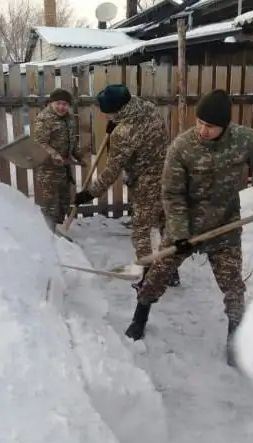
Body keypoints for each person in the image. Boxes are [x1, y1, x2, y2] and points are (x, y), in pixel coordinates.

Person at [124, 89, 253, 367]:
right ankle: (140, 316)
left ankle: (236, 340)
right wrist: (181, 234)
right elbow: (171, 194)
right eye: (199, 123)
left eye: (210, 126)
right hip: (185, 225)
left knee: (233, 287)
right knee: (157, 275)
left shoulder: (245, 140)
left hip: (225, 226)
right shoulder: (182, 147)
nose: (203, 130)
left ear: (225, 125)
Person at [71, 83, 180, 289]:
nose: (108, 117)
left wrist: (89, 193)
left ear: (116, 110)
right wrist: (116, 124)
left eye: (110, 114)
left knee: (141, 230)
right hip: (170, 173)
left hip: (148, 182)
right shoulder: (146, 106)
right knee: (166, 224)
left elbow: (112, 170)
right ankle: (171, 272)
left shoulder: (124, 133)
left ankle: (150, 278)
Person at [31, 88, 85, 230]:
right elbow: (39, 142)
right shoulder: (44, 119)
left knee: (64, 201)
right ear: (51, 103)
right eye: (58, 103)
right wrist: (54, 154)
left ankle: (59, 231)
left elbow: (72, 139)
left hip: (64, 169)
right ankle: (50, 233)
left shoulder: (70, 119)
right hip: (48, 170)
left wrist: (78, 154)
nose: (62, 107)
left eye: (65, 104)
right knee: (51, 203)